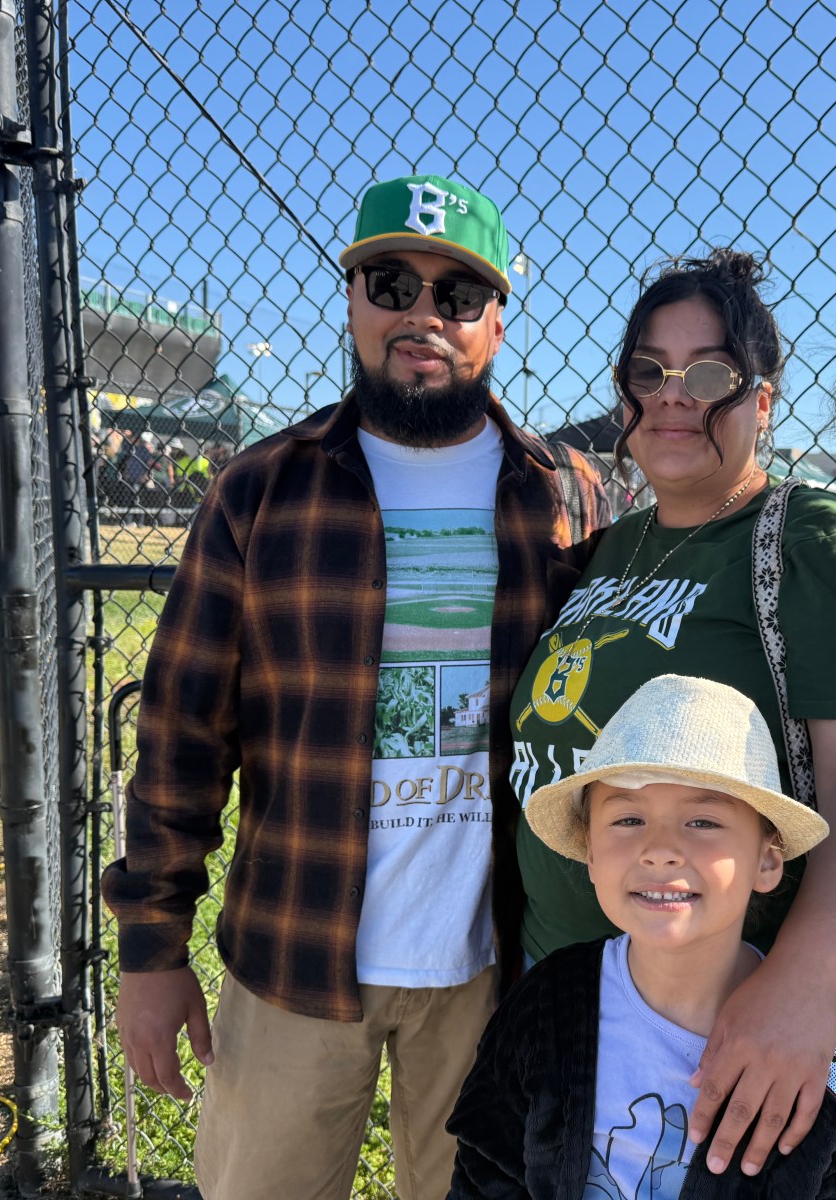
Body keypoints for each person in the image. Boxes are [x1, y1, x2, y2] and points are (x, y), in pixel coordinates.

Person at [103, 173, 610, 1200]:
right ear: (350, 300)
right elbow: (181, 734)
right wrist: (151, 950)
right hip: (294, 952)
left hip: (493, 967)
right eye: (390, 282)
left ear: (497, 324)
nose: (421, 314)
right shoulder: (261, 488)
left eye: (456, 296)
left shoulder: (560, 496)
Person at [510, 249, 836, 1176]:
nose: (672, 395)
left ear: (762, 401)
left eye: (710, 374)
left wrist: (799, 986)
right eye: (648, 371)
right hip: (566, 998)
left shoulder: (810, 540)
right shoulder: (612, 547)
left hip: (726, 1017)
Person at [450, 674, 836, 1198]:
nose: (659, 849)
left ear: (767, 859)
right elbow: (486, 1169)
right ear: (591, 853)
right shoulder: (546, 1002)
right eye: (627, 818)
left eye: (703, 822)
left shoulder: (817, 1058)